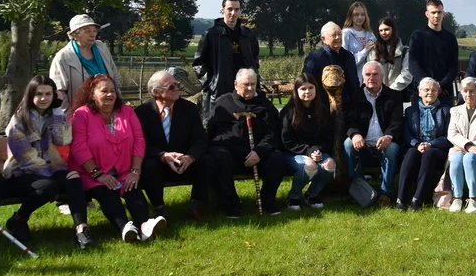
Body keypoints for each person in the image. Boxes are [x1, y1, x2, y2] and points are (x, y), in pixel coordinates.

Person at [69, 75, 166, 243]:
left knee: (132, 187)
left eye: (112, 91)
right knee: (106, 191)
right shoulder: (82, 114)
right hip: (91, 173)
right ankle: (125, 227)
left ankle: (145, 226)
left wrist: (135, 171)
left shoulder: (127, 112)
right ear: (92, 94)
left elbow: (139, 141)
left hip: (123, 170)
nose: (109, 94)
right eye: (104, 91)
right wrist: (97, 174)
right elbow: (79, 147)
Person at [1, 75, 85, 246]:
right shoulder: (18, 121)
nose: (43, 98)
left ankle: (82, 229)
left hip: (49, 169)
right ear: (30, 96)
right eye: (39, 94)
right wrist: (55, 176)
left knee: (73, 179)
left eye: (48, 94)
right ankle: (18, 219)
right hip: (21, 173)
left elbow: (63, 140)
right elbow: (27, 160)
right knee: (50, 186)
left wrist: (56, 112)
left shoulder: (53, 114)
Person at [134, 69, 209, 222]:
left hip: (184, 162)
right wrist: (162, 155)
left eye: (178, 84)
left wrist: (190, 157)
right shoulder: (142, 113)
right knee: (148, 165)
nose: (178, 89)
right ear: (156, 91)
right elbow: (140, 144)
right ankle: (160, 209)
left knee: (208, 159)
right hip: (159, 163)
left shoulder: (189, 109)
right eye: (172, 87)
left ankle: (195, 206)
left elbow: (200, 139)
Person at [207, 68, 285, 216]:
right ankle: (231, 204)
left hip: (257, 155)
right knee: (219, 157)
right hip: (230, 154)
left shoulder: (265, 105)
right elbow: (212, 132)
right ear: (236, 84)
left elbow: (272, 133)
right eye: (246, 84)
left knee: (277, 159)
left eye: (253, 84)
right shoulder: (223, 103)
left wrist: (259, 152)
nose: (250, 88)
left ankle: (266, 201)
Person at [343, 61, 404, 205]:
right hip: (363, 145)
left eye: (376, 74)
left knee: (393, 148)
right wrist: (355, 134)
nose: (372, 77)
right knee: (347, 144)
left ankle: (385, 192)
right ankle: (358, 191)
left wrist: (389, 136)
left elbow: (397, 122)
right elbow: (349, 121)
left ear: (382, 76)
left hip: (384, 144)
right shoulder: (355, 97)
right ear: (363, 77)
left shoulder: (394, 96)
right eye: (368, 74)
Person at [193, 0, 260, 120]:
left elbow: (255, 60)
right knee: (218, 126)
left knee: (247, 124)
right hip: (219, 89)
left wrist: (255, 78)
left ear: (240, 11)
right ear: (223, 9)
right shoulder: (211, 34)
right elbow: (198, 63)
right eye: (230, 9)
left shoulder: (248, 35)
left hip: (244, 88)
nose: (233, 13)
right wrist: (210, 83)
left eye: (236, 9)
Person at [279, 74, 335, 211]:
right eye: (303, 88)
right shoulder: (288, 111)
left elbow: (327, 136)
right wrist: (308, 152)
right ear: (296, 91)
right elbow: (287, 141)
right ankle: (293, 197)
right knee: (310, 166)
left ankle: (312, 195)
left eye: (311, 88)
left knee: (330, 165)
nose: (307, 92)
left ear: (316, 89)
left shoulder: (323, 110)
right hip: (292, 153)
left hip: (317, 151)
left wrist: (317, 150)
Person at [397, 78, 451, 210]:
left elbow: (449, 137)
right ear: (419, 92)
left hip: (437, 150)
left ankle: (417, 199)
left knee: (429, 154)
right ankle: (401, 199)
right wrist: (417, 144)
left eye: (433, 90)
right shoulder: (411, 111)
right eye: (426, 90)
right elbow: (407, 134)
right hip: (416, 147)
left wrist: (430, 144)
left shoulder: (446, 110)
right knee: (410, 153)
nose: (430, 92)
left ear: (438, 92)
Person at [49, 14, 120, 109]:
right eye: (87, 31)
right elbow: (59, 91)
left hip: (107, 109)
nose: (93, 34)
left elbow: (115, 75)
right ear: (75, 34)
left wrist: (118, 102)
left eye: (94, 31)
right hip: (80, 113)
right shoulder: (63, 57)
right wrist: (68, 115)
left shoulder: (101, 47)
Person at [446, 77, 476, 213]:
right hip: (460, 149)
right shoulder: (454, 111)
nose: (468, 94)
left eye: (472, 91)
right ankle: (457, 197)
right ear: (461, 92)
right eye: (465, 91)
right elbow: (452, 134)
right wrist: (467, 146)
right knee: (455, 158)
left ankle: (474, 199)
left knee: (469, 158)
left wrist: (474, 148)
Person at [407, 0, 459, 105]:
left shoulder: (450, 38)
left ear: (443, 13)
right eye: (433, 12)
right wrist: (429, 85)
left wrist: (440, 86)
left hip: (444, 93)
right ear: (427, 14)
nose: (437, 15)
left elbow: (454, 66)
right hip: (422, 92)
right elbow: (413, 64)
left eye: (439, 12)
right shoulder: (417, 36)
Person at [303, 21, 360, 105]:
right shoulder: (315, 57)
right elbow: (306, 81)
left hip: (347, 107)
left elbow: (354, 83)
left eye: (340, 34)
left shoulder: (348, 56)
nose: (338, 38)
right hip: (322, 107)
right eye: (334, 35)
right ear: (323, 39)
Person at [367, 16, 412, 93]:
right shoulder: (373, 51)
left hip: (395, 95)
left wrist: (390, 91)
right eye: (381, 30)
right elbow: (368, 72)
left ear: (393, 30)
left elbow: (407, 74)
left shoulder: (404, 51)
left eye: (386, 29)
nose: (383, 33)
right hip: (375, 95)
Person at [342, 1, 377, 82]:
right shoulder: (345, 33)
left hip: (371, 80)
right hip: (353, 80)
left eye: (362, 14)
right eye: (356, 14)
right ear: (350, 16)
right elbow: (345, 61)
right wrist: (364, 51)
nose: (360, 17)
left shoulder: (370, 33)